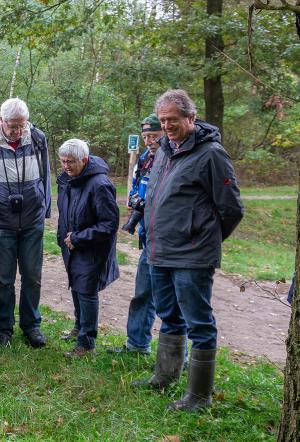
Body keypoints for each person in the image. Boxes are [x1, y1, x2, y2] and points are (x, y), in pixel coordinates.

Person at [134, 89, 244, 412]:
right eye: (163, 120)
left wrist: (204, 238)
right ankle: (165, 375)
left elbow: (232, 208)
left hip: (192, 255)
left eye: (173, 120)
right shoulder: (165, 149)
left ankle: (198, 396)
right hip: (159, 251)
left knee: (199, 323)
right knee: (169, 315)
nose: (167, 126)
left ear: (191, 118)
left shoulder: (211, 154)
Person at [0, 98, 51, 348]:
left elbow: (46, 174)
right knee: (4, 278)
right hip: (0, 221)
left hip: (32, 220)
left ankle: (31, 326)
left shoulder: (37, 138)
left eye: (21, 125)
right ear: (1, 120)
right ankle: (3, 328)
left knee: (32, 277)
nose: (17, 131)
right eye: (12, 126)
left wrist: (44, 208)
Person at [106, 113, 165, 355]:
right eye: (146, 136)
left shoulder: (172, 159)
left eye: (154, 136)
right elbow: (138, 189)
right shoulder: (145, 159)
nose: (150, 141)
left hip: (168, 238)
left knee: (170, 302)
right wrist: (134, 202)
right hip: (148, 235)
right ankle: (137, 344)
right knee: (143, 292)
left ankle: (176, 358)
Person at [56, 139, 119, 357]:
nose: (66, 166)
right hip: (71, 246)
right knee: (76, 286)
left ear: (84, 160)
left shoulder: (100, 184)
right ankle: (79, 326)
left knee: (86, 291)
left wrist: (80, 238)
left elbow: (109, 224)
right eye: (62, 161)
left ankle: (86, 344)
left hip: (92, 249)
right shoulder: (67, 180)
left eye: (70, 162)